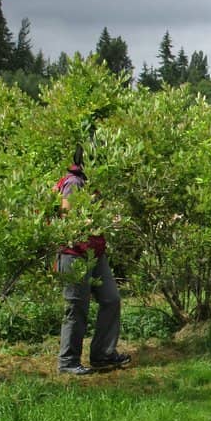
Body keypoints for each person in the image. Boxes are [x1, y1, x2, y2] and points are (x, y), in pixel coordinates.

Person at [55, 150, 130, 375]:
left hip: (95, 253)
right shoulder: (74, 183)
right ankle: (68, 362)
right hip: (74, 253)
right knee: (77, 307)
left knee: (111, 299)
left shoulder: (90, 183)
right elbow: (65, 214)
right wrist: (94, 220)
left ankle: (102, 354)